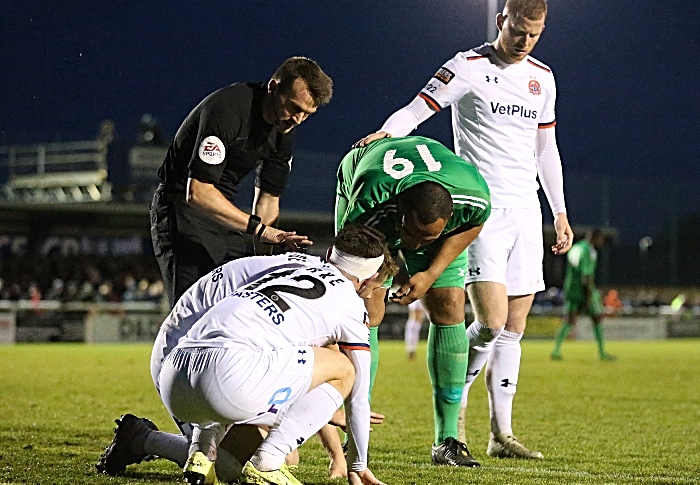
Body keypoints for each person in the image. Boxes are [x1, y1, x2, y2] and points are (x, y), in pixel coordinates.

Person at [355, 0, 573, 460]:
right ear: (501, 21)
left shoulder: (544, 79)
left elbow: (546, 149)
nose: (525, 40)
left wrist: (559, 211)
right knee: (490, 322)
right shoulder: (468, 66)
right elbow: (417, 110)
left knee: (513, 326)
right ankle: (455, 416)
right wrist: (384, 134)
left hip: (526, 210)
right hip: (478, 208)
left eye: (535, 34)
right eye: (518, 30)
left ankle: (501, 435)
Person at [97, 237, 393, 482]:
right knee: (244, 461)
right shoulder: (348, 305)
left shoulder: (291, 266)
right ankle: (255, 460)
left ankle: (181, 447)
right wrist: (357, 465)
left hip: (179, 366)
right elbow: (351, 388)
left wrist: (332, 436)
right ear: (368, 283)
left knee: (287, 453)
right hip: (198, 354)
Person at [336, 135, 491, 467]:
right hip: (365, 187)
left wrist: (430, 274)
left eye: (428, 238)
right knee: (368, 309)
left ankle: (448, 439)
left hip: (422, 199)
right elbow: (366, 248)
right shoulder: (370, 203)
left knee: (450, 303)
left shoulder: (474, 198)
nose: (416, 246)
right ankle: (354, 430)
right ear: (399, 213)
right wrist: (390, 273)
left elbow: (474, 224)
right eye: (410, 234)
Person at [151, 56, 333, 308]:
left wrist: (265, 260)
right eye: (294, 107)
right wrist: (261, 230)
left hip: (226, 217)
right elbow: (198, 193)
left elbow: (269, 199)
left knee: (232, 310)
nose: (297, 119)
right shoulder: (229, 108)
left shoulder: (284, 130)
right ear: (273, 87)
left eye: (307, 113)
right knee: (191, 314)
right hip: (182, 209)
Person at [552, 229, 616, 361]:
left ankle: (556, 350)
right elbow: (586, 275)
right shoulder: (589, 251)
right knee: (597, 318)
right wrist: (588, 296)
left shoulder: (576, 248)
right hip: (583, 290)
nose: (601, 242)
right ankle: (602, 352)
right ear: (595, 237)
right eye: (600, 239)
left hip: (571, 288)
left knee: (569, 320)